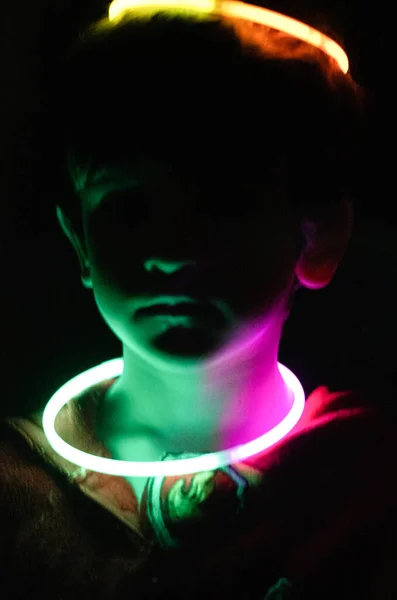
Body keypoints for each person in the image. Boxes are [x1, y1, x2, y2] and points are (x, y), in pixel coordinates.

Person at [1, 4, 396, 599]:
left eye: (226, 204)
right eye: (131, 209)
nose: (172, 252)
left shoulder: (365, 483)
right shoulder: (11, 483)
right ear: (80, 242)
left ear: (318, 237)